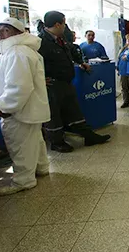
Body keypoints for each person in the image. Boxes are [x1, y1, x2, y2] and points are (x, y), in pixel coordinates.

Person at [0, 17, 50, 196]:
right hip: (30, 109)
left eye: (5, 30)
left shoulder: (17, 53)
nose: (0, 33)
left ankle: (24, 180)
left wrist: (4, 107)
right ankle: (41, 167)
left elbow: (19, 86)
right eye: (0, 29)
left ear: (17, 33)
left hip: (19, 112)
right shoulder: (24, 51)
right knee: (34, 141)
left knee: (19, 145)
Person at [38, 11, 110, 152]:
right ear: (58, 24)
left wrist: (81, 63)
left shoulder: (61, 39)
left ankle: (88, 136)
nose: (65, 26)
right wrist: (39, 79)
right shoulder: (41, 42)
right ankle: (57, 142)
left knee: (74, 111)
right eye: (64, 23)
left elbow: (69, 52)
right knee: (54, 115)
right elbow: (34, 62)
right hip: (52, 85)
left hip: (66, 82)